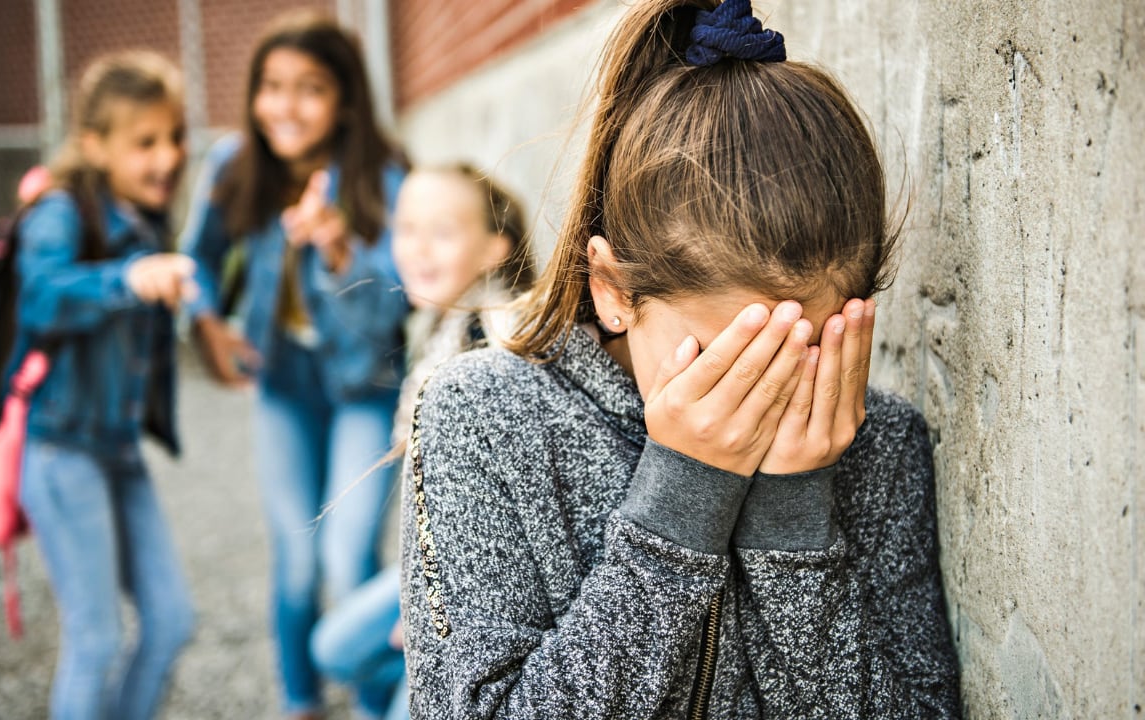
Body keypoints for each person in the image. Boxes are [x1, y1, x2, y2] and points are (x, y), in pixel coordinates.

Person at [397, 0, 963, 718]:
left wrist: (795, 519)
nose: (765, 393)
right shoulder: (482, 417)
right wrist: (680, 503)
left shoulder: (877, 446)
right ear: (613, 292)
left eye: (805, 350)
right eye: (727, 360)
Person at [178, 10, 410, 719]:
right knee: (299, 560)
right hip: (284, 385)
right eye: (271, 86)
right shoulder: (233, 165)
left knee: (347, 557)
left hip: (367, 387)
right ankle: (299, 700)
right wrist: (207, 324)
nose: (285, 105)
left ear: (345, 99)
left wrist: (339, 250)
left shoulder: (385, 176)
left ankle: (378, 704)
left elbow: (392, 311)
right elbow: (198, 260)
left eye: (309, 88)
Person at [310, 163, 537, 720]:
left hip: (482, 587)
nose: (418, 249)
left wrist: (430, 615)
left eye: (442, 232)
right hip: (435, 566)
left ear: (493, 250)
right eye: (406, 229)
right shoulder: (436, 328)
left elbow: (501, 511)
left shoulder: (496, 340)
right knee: (333, 649)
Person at [10, 50, 198, 720]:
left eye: (173, 137)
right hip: (61, 451)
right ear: (95, 145)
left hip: (117, 450)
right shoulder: (61, 211)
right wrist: (127, 279)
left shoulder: (146, 219)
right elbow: (40, 298)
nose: (167, 156)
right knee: (95, 638)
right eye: (144, 142)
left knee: (173, 620)